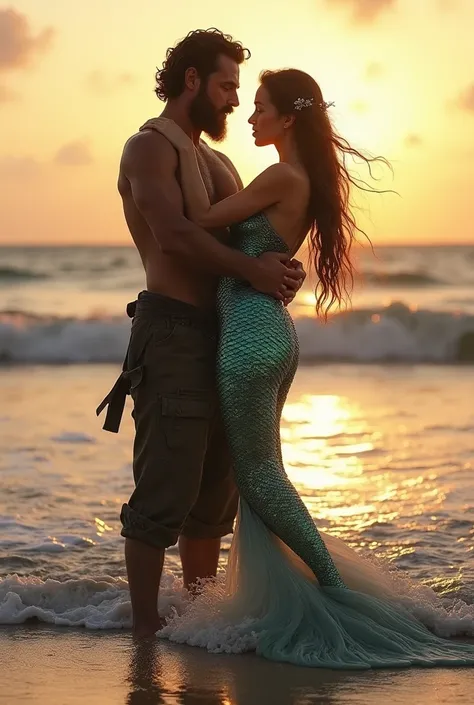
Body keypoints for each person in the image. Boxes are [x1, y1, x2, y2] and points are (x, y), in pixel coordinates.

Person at [142, 68, 474, 668]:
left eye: (261, 107)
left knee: (260, 476)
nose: (250, 116)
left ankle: (332, 588)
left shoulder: (278, 175)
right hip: (270, 333)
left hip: (249, 336)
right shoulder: (294, 179)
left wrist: (176, 138)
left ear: (288, 118)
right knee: (261, 472)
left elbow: (198, 218)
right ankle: (302, 589)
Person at [96, 29, 306, 638]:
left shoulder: (217, 161)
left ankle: (197, 625)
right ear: (192, 81)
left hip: (226, 335)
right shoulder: (147, 149)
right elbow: (176, 236)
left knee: (215, 499)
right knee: (165, 488)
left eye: (239, 88)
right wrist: (255, 271)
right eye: (225, 86)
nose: (235, 101)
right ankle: (142, 635)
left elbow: (246, 241)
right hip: (173, 331)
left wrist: (279, 267)